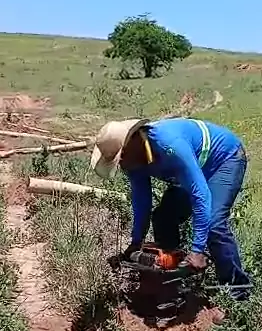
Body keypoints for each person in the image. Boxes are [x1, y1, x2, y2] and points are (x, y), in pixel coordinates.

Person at [91, 117, 250, 296]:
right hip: (191, 169)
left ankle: (238, 293)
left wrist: (197, 250)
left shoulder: (169, 145)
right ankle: (173, 278)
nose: (121, 164)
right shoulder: (133, 161)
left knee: (214, 224)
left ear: (133, 141)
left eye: (121, 157)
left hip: (224, 160)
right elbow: (142, 201)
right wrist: (136, 243)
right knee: (163, 217)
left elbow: (201, 195)